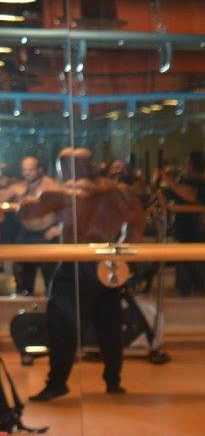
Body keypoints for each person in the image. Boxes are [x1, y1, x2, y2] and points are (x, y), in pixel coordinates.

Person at [22, 148, 144, 401]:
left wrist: (29, 204)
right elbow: (138, 222)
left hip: (77, 264)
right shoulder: (117, 192)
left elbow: (29, 217)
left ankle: (58, 383)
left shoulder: (66, 194)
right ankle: (113, 381)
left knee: (64, 326)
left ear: (67, 167)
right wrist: (122, 254)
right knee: (109, 325)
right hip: (105, 264)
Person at [158, 151, 205, 297]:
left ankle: (192, 293)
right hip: (190, 231)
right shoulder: (196, 183)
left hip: (195, 231)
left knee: (193, 270)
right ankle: (191, 292)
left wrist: (169, 182)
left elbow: (193, 196)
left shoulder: (202, 186)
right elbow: (165, 199)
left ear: (191, 165)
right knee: (188, 270)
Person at [5, 155, 60, 295]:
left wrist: (59, 228)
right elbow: (2, 196)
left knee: (51, 277)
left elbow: (70, 209)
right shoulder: (19, 187)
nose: (27, 173)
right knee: (22, 273)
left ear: (39, 169)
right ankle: (24, 299)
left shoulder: (51, 187)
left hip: (46, 234)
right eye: (24, 170)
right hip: (26, 234)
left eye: (31, 169)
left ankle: (52, 302)